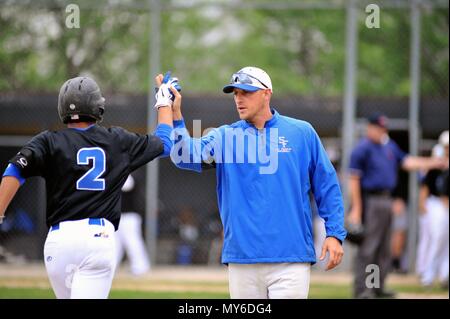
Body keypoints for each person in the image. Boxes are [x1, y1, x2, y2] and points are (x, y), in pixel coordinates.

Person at [163, 66, 347, 299]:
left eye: (246, 93)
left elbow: (327, 185)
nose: (239, 99)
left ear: (266, 93)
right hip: (243, 258)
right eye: (235, 94)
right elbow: (185, 156)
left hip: (290, 257)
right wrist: (175, 114)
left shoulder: (302, 133)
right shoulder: (225, 136)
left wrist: (334, 233)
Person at [0, 75, 175, 298]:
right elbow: (166, 144)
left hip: (58, 240)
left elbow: (14, 169)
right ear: (97, 106)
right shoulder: (116, 140)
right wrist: (163, 101)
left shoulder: (48, 141)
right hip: (97, 237)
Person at [347, 113, 447, 299]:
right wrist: (356, 208)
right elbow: (354, 179)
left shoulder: (388, 146)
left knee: (384, 249)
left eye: (383, 128)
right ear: (370, 128)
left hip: (387, 199)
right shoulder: (363, 149)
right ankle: (363, 290)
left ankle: (377, 286)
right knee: (369, 248)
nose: (381, 131)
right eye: (378, 127)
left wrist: (434, 163)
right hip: (371, 200)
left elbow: (407, 162)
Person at [417, 131, 449, 289]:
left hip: (445, 204)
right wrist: (422, 203)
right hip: (437, 203)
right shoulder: (437, 163)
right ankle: (427, 275)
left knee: (446, 242)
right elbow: (427, 185)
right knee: (437, 238)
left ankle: (445, 275)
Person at [115, 171, 151, 276]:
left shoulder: (129, 176)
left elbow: (126, 186)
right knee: (115, 243)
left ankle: (140, 267)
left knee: (132, 241)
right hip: (117, 216)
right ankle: (112, 266)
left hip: (129, 216)